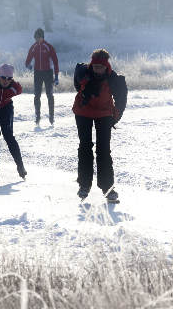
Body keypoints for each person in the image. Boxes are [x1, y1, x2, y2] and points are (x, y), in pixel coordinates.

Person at [72, 49, 127, 202]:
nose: (98, 69)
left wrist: (115, 117)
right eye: (95, 66)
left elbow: (121, 100)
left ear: (106, 66)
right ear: (92, 65)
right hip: (83, 112)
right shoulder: (83, 73)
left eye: (101, 67)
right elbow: (77, 85)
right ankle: (84, 185)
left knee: (103, 150)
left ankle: (108, 188)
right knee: (85, 147)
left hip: (104, 114)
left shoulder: (113, 78)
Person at [25, 28, 59, 125]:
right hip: (37, 73)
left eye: (38, 38)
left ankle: (51, 116)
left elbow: (56, 62)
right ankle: (37, 116)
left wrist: (56, 76)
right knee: (37, 95)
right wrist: (28, 65)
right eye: (35, 38)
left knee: (49, 95)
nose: (36, 40)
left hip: (48, 73)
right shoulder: (34, 47)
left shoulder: (48, 47)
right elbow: (27, 61)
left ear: (42, 37)